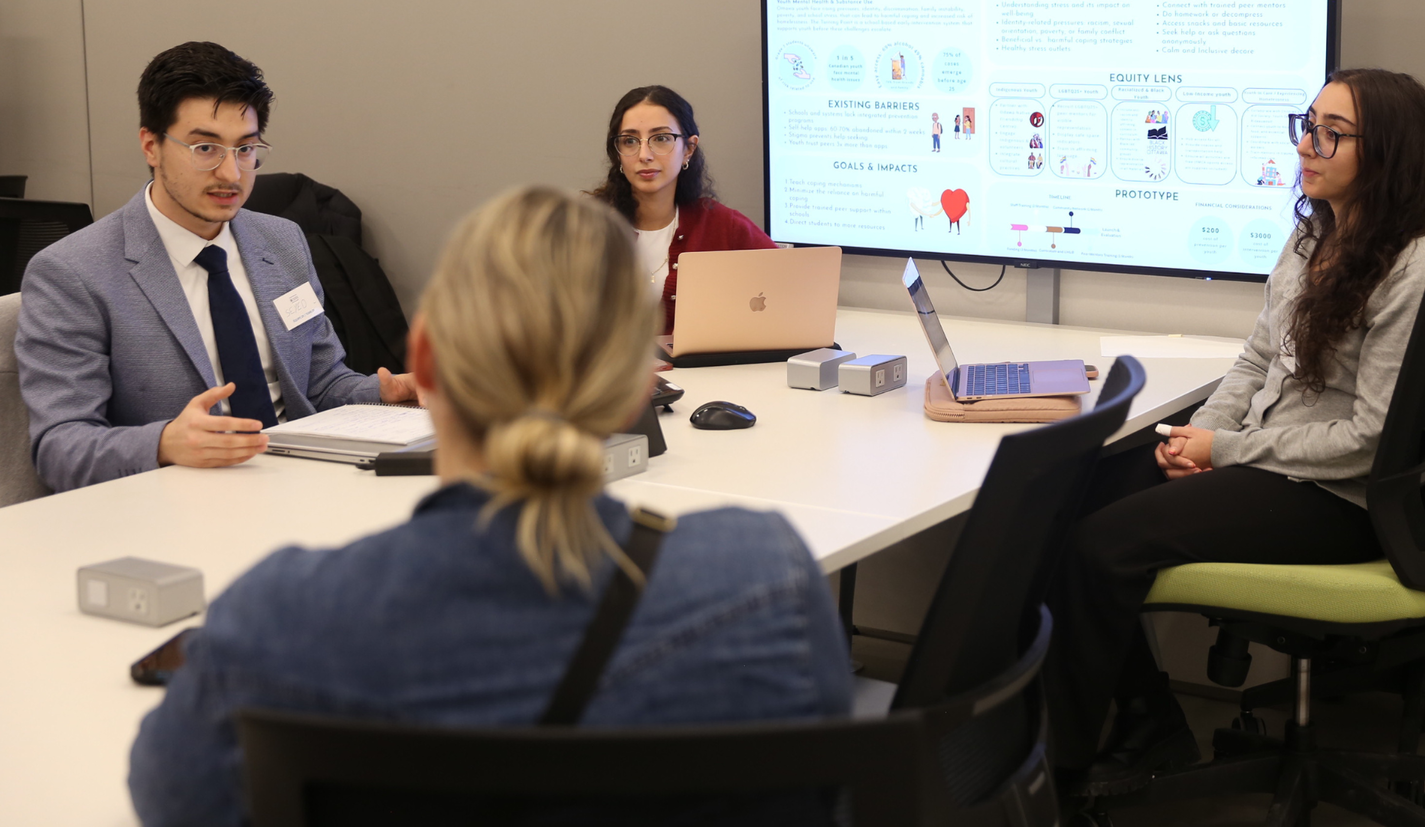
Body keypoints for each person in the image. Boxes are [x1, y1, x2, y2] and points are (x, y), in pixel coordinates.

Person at [127, 186, 852, 825]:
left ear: (425, 361)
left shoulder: (280, 620)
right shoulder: (767, 581)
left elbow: (177, 798)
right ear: (638, 387)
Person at [1043, 68, 1425, 797]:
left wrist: (1226, 450)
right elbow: (1259, 359)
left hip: (1339, 497)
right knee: (1060, 502)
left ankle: (1061, 772)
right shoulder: (1314, 236)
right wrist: (1194, 440)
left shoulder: (1417, 267)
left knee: (1102, 545)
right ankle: (1148, 719)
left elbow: (1367, 437)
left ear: (1386, 151)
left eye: (1332, 133)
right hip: (1262, 461)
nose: (1306, 145)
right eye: (1308, 124)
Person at [14, 41, 416, 493]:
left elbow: (320, 385)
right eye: (205, 147)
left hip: (302, 484)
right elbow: (60, 448)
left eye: (246, 149)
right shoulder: (72, 273)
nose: (231, 174)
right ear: (151, 145)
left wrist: (384, 393)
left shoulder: (282, 242)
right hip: (175, 500)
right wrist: (163, 443)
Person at [588, 85, 774, 335]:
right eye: (630, 141)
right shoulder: (586, 227)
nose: (644, 155)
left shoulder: (722, 225)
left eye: (661, 138)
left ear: (689, 149)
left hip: (696, 362)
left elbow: (791, 284)